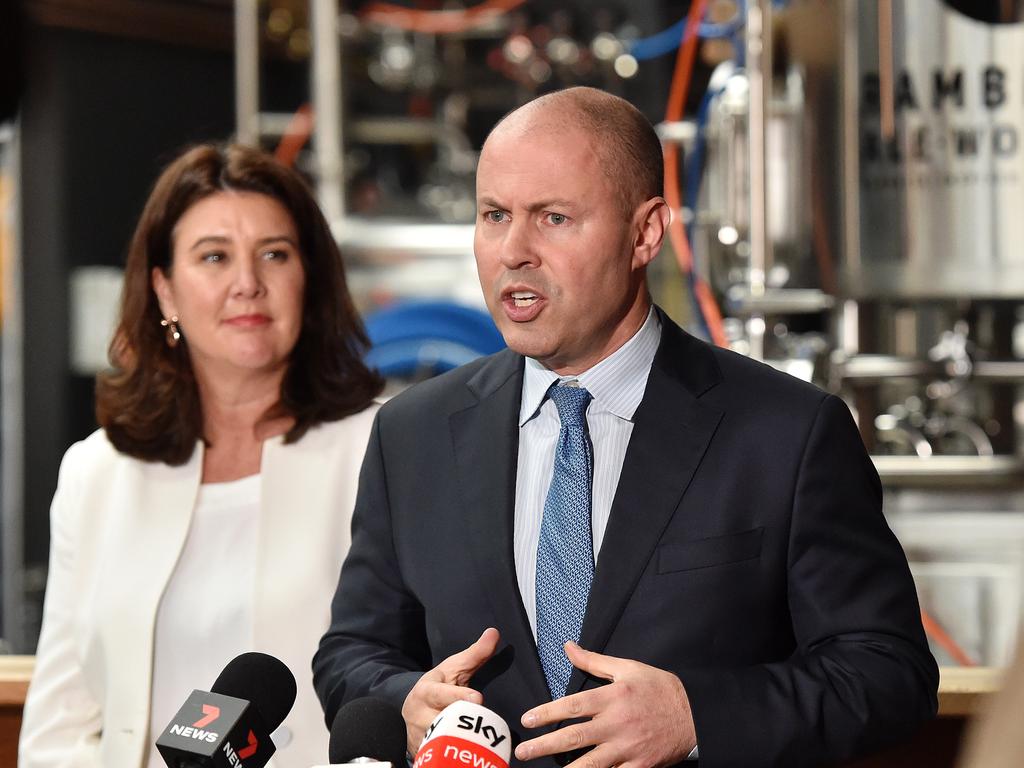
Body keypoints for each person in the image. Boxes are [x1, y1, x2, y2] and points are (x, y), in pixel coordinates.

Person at [313, 87, 938, 767]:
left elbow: (887, 672)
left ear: (644, 233)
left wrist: (696, 717)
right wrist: (407, 701)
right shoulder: (414, 433)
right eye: (494, 215)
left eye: (553, 217)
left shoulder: (787, 432)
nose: (513, 251)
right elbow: (352, 654)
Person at [19, 144, 383, 768]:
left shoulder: (380, 450)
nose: (247, 282)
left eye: (275, 253)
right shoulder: (97, 473)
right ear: (164, 292)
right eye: (214, 256)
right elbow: (60, 726)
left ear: (309, 278)